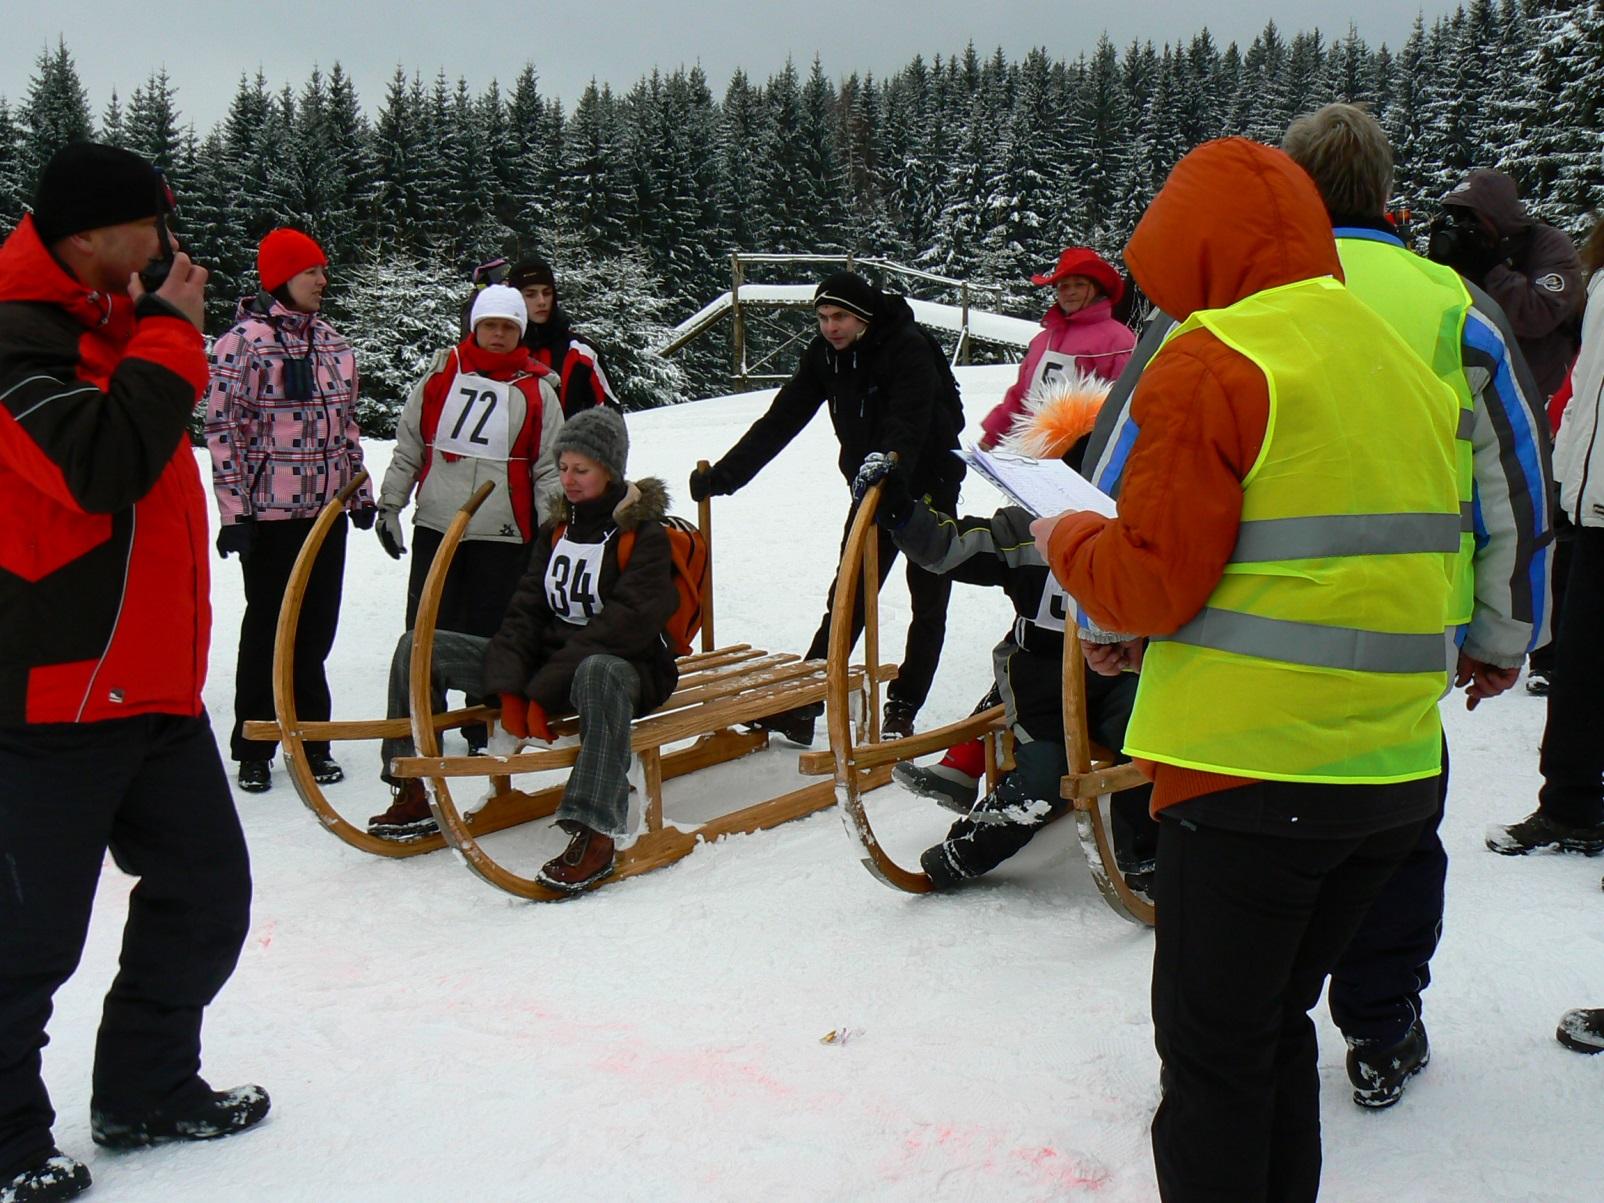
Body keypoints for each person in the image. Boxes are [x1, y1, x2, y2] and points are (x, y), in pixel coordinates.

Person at [1035, 138, 1461, 1202]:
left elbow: (1149, 585)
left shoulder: (1217, 357)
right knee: (1267, 1030)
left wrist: (1060, 539)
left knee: (1213, 1057)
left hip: (1249, 777)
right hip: (1394, 773)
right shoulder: (1390, 358)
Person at [0, 143, 267, 1203]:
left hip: (151, 685)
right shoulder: (17, 338)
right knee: (27, 941)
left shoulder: (111, 323)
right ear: (94, 234)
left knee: (207, 897)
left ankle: (147, 1090)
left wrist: (153, 330)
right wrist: (171, 331)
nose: (171, 248)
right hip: (52, 692)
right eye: (156, 227)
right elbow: (99, 468)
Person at [1277, 103, 1554, 1108]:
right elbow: (1513, 484)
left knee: (1249, 838)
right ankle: (1381, 1025)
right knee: (1390, 835)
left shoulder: (1234, 294)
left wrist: (1120, 619)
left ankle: (1242, 1029)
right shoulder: (1450, 305)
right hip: (1403, 635)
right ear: (1386, 198)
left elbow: (1139, 468)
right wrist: (1498, 633)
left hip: (1238, 644)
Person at [365, 408, 679, 891]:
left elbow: (624, 627)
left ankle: (595, 831)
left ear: (610, 471)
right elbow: (525, 612)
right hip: (550, 668)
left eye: (582, 470)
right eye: (565, 468)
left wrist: (540, 688)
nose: (569, 480)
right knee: (420, 648)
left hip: (624, 670)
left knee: (596, 668)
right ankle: (414, 788)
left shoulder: (645, 536)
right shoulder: (557, 530)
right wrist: (509, 686)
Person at [869, 408, 1155, 892]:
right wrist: (900, 510)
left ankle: (1145, 857)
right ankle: (966, 851)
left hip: (1125, 675)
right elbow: (951, 547)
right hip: (1042, 679)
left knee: (1146, 746)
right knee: (1044, 772)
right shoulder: (1026, 529)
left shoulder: (1143, 534)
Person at [689, 272, 967, 742]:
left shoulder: (907, 347)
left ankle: (903, 705)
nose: (830, 327)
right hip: (869, 486)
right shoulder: (823, 357)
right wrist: (725, 477)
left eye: (840, 317)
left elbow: (910, 420)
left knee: (928, 595)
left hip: (926, 487)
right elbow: (780, 420)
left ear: (864, 316)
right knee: (849, 595)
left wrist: (891, 467)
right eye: (822, 317)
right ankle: (806, 702)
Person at [204, 227, 375, 794]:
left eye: (323, 270)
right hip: (269, 515)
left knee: (315, 632)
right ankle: (255, 744)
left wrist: (359, 492)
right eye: (311, 272)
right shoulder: (243, 343)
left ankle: (312, 739)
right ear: (281, 278)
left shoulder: (332, 342)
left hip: (324, 512)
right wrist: (235, 512)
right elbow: (223, 429)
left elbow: (345, 426)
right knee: (268, 629)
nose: (323, 281)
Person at [375, 284, 563, 752]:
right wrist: (390, 505)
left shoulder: (538, 390)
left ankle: (482, 721)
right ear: (474, 327)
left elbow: (548, 468)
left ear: (520, 331)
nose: (497, 335)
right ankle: (424, 720)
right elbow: (411, 445)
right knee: (426, 627)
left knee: (492, 632)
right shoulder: (442, 375)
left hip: (503, 532)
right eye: (489, 325)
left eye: (507, 327)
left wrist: (550, 531)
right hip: (439, 524)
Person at [1428, 168, 1581, 695]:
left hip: (1541, 405)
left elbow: (1542, 313)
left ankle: (1542, 646)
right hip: (1477, 403)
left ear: (1500, 225)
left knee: (1532, 525)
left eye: (1473, 223)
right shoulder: (1469, 256)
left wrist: (1492, 271)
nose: (1460, 231)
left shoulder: (1550, 249)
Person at [1488, 216, 1604, 858]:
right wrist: (1564, 477)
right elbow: (1586, 393)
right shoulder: (1603, 283)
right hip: (1586, 502)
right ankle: (1571, 805)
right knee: (1580, 668)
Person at [977, 246, 1136, 450]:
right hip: (1032, 452)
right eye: (1063, 286)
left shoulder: (1118, 340)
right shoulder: (1043, 340)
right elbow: (1021, 395)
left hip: (1084, 456)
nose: (1070, 292)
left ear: (1097, 289)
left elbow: (1125, 405)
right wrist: (992, 435)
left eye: (1079, 285)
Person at [507, 259, 620, 417]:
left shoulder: (581, 352)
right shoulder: (502, 350)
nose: (541, 301)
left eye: (547, 293)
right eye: (530, 294)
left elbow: (611, 419)